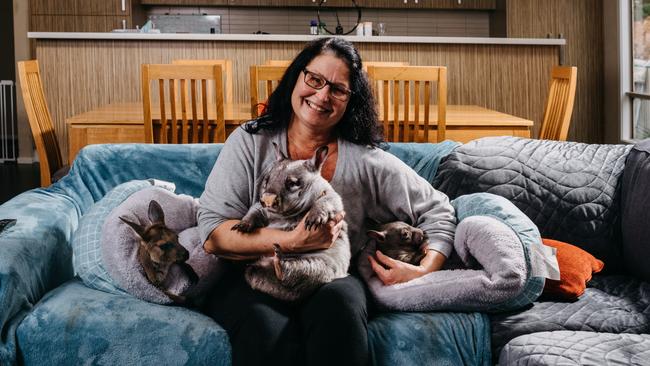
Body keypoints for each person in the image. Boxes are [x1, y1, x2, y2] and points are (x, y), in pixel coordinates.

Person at [198, 37, 456, 366]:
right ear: (296, 77)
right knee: (263, 328)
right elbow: (214, 233)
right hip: (255, 271)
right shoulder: (251, 142)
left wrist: (423, 269)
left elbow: (439, 211)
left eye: (337, 89)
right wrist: (292, 241)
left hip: (329, 274)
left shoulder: (367, 161)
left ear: (350, 100)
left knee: (341, 313)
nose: (322, 96)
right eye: (315, 79)